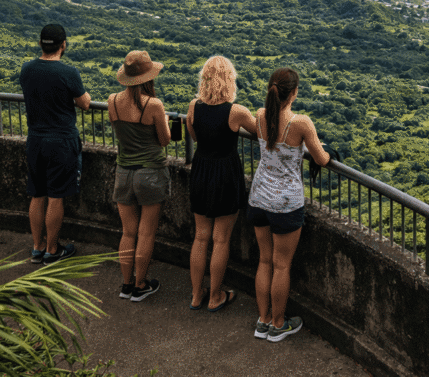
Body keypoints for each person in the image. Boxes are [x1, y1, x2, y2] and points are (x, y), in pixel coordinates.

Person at [248, 68, 330, 342]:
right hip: (285, 203)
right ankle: (279, 324)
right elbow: (320, 158)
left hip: (258, 197)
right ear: (293, 93)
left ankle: (263, 320)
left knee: (264, 260)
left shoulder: (260, 116)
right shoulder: (300, 123)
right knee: (281, 266)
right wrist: (328, 152)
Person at [185, 55, 257, 312]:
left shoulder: (194, 106)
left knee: (201, 237)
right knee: (221, 239)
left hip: (201, 170)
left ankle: (196, 295)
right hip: (226, 174)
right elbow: (261, 132)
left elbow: (192, 133)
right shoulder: (236, 111)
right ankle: (215, 296)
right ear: (229, 80)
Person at [19, 23, 91, 265]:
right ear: (63, 45)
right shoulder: (68, 72)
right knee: (56, 197)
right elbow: (85, 103)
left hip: (35, 140)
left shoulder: (27, 70)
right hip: (60, 142)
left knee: (37, 195)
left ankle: (37, 247)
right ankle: (53, 250)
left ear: (40, 44)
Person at [108, 50, 171, 302]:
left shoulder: (112, 101)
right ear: (148, 77)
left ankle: (126, 285)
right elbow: (165, 140)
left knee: (128, 232)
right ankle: (141, 284)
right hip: (151, 173)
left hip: (123, 172)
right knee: (146, 233)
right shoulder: (153, 105)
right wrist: (164, 120)